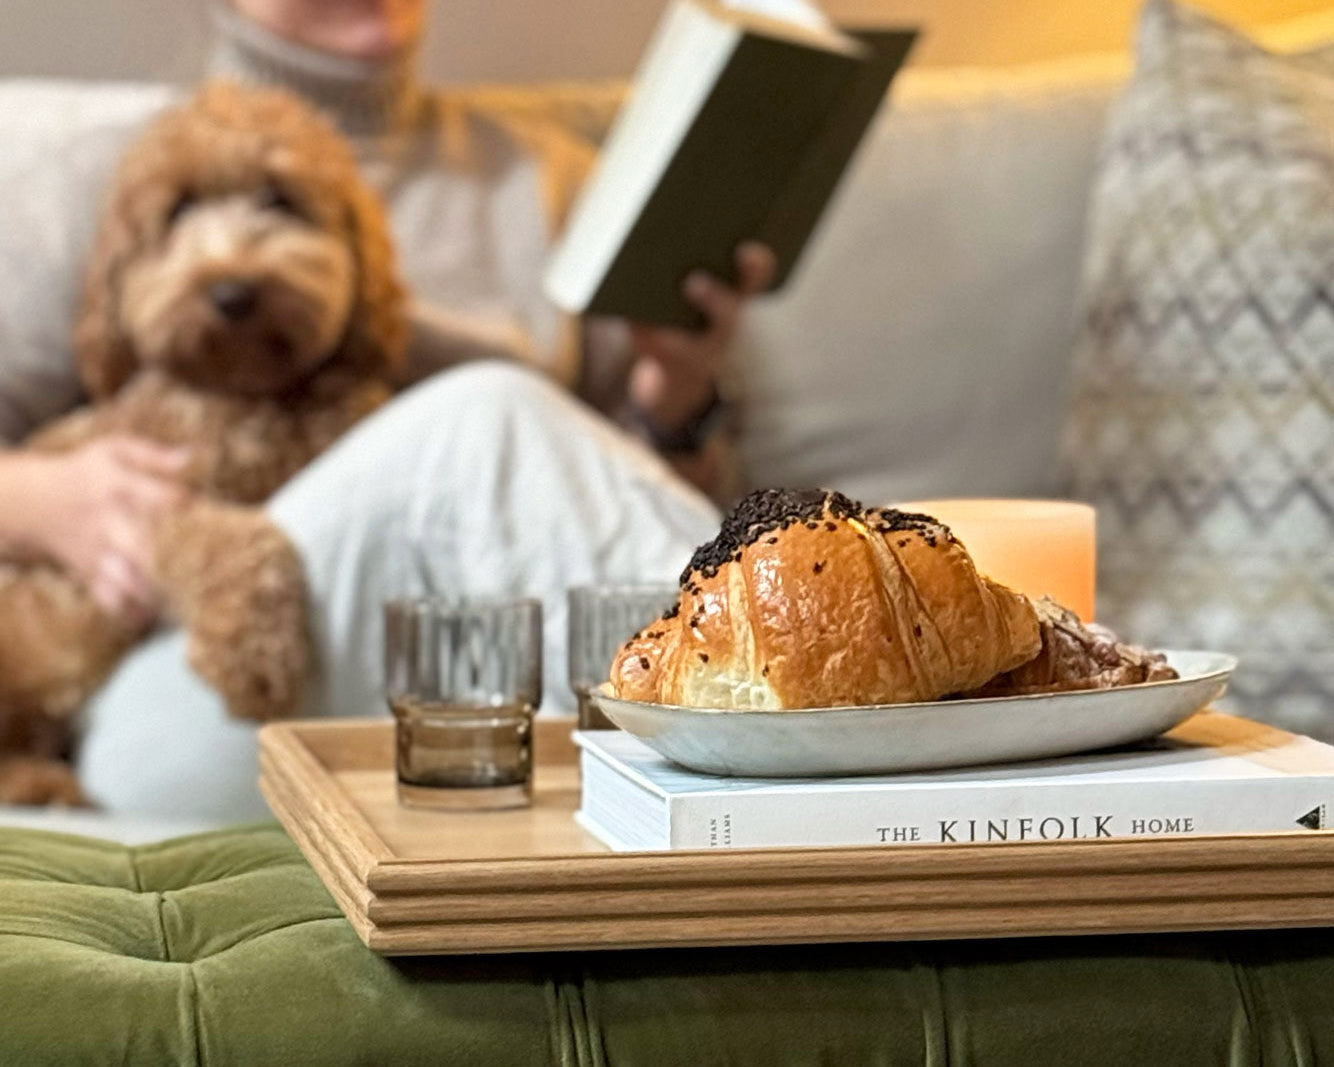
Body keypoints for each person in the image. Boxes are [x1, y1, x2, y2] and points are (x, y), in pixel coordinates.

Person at [0, 0, 773, 819]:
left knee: (500, 441)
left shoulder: (547, 179)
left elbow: (568, 537)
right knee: (486, 423)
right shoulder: (94, 167)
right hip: (158, 701)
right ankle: (791, 707)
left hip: (477, 703)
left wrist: (672, 405)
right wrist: (43, 500)